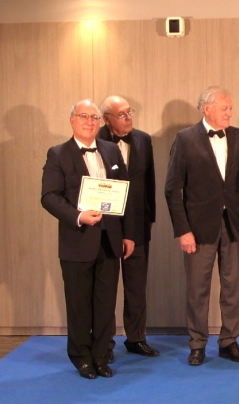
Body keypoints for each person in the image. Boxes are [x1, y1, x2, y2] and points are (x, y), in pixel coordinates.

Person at [164, 86, 239, 366]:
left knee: (232, 288)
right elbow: (172, 189)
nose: (230, 112)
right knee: (197, 289)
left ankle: (229, 341)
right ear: (206, 109)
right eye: (224, 108)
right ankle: (197, 344)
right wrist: (183, 230)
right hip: (198, 229)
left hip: (234, 225)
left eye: (231, 108)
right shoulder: (184, 139)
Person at [41, 99, 135, 379]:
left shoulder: (110, 149)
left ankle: (101, 355)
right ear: (72, 120)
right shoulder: (58, 154)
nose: (89, 122)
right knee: (79, 304)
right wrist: (79, 216)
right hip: (77, 240)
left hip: (110, 240)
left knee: (105, 303)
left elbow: (124, 192)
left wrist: (128, 234)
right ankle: (81, 357)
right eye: (83, 116)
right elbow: (49, 197)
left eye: (94, 117)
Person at [98, 95, 160, 360]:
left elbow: (149, 184)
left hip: (138, 225)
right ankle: (104, 343)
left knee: (136, 287)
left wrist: (148, 220)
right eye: (121, 114)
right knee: (106, 289)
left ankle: (136, 338)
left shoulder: (144, 140)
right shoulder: (95, 140)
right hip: (106, 228)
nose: (129, 118)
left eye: (129, 112)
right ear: (107, 119)